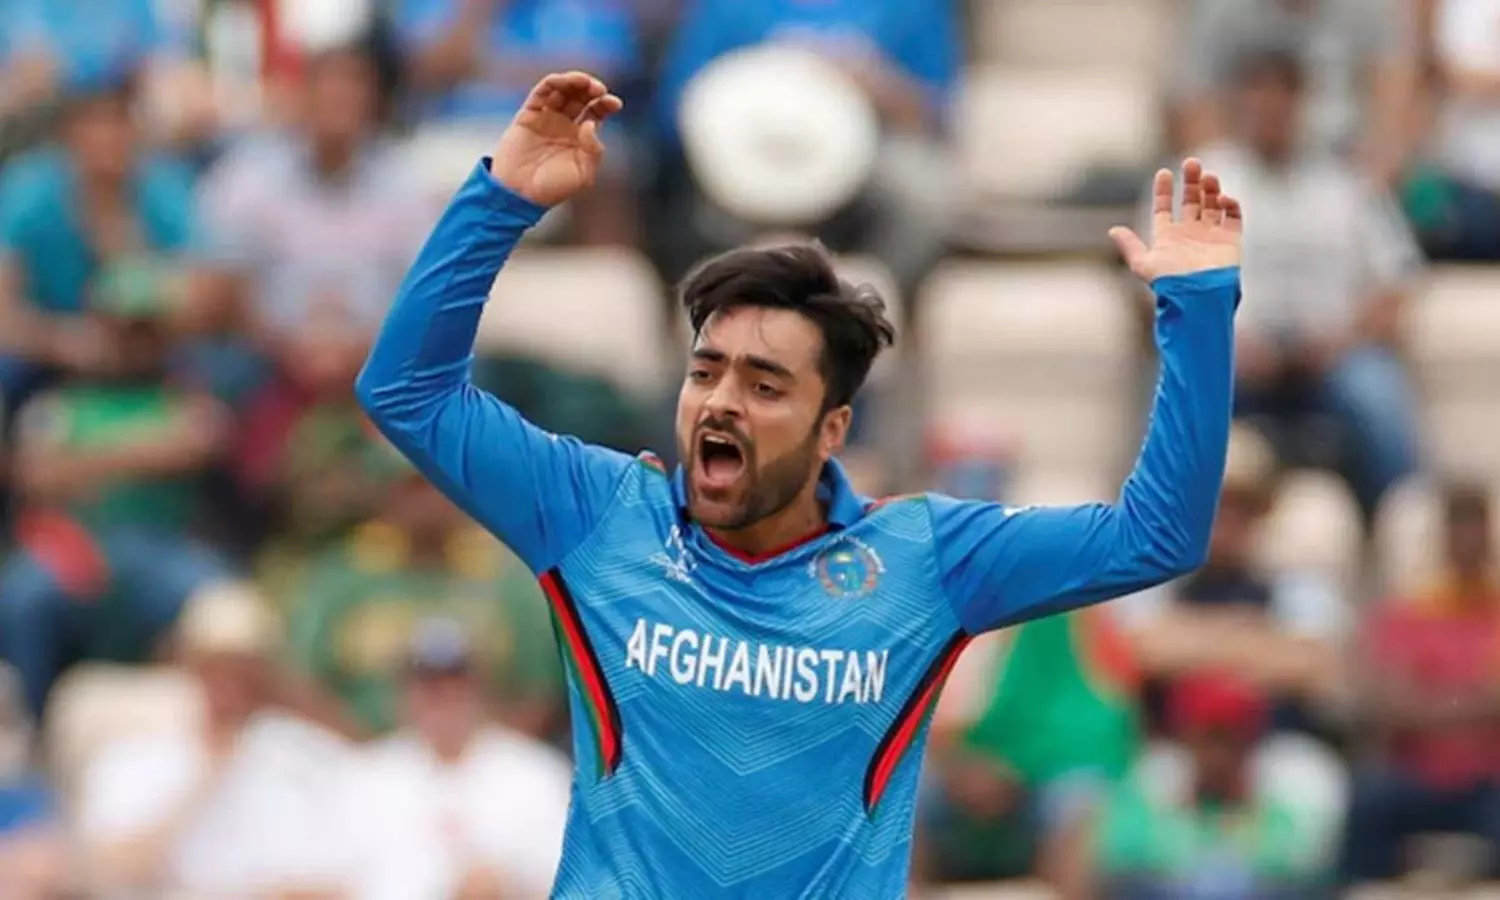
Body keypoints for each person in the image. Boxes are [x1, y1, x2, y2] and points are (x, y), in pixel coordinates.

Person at [357, 70, 1242, 896]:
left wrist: (1198, 311)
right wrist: (499, 201)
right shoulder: (598, 515)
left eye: (765, 386)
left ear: (833, 430)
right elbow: (406, 393)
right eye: (705, 372)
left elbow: (1158, 536)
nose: (721, 401)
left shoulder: (925, 560)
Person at [339, 617, 572, 899]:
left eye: (455, 680)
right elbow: (328, 882)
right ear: (403, 690)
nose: (443, 696)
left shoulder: (537, 774)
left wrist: (508, 885)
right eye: (428, 682)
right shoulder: (365, 777)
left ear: (480, 686)